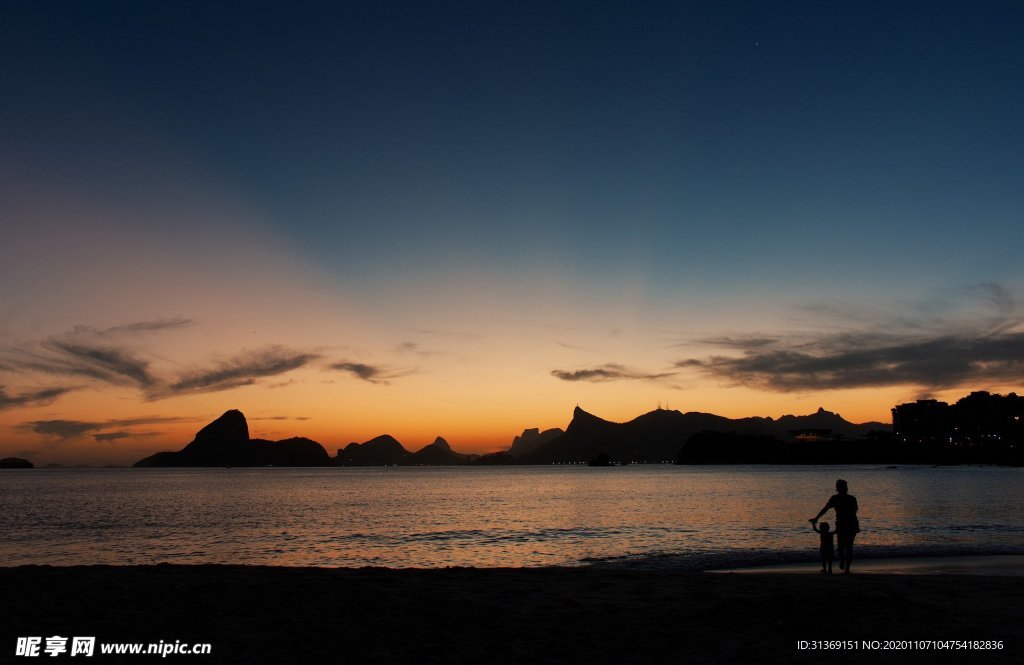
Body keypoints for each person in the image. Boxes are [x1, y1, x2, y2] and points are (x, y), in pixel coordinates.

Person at [809, 479, 859, 574]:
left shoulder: (852, 498)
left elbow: (854, 512)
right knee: (840, 547)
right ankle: (842, 560)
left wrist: (847, 520)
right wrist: (817, 518)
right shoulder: (834, 498)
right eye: (841, 487)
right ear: (838, 489)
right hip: (841, 524)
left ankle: (847, 569)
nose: (844, 489)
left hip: (851, 524)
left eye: (845, 487)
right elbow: (826, 508)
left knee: (848, 546)